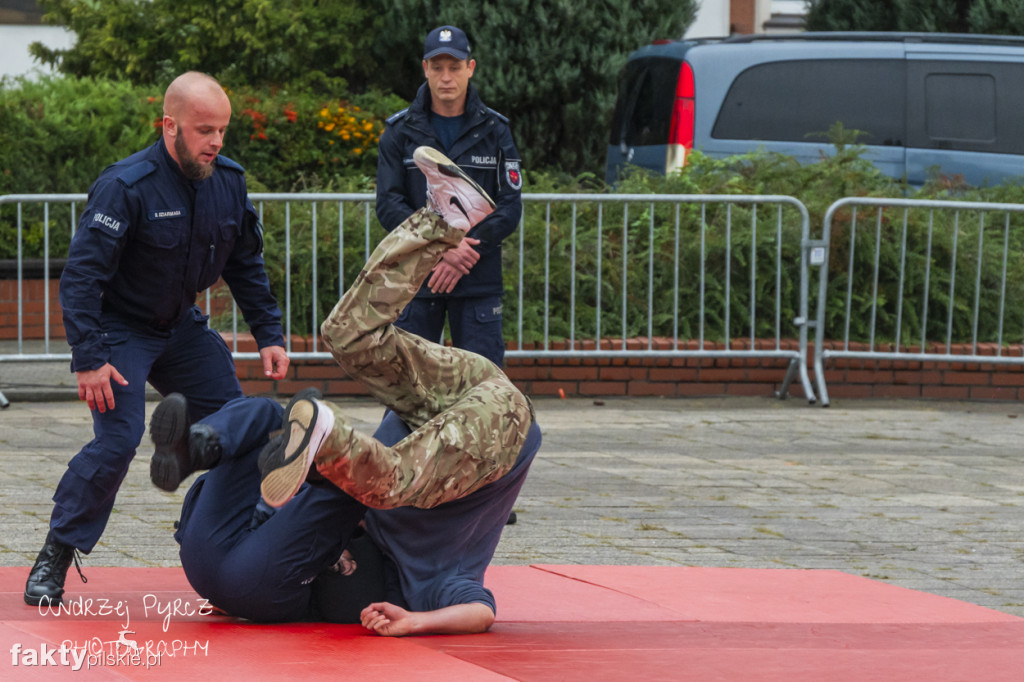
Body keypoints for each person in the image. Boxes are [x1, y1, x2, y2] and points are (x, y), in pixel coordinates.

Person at [163, 148, 540, 632]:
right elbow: (481, 609)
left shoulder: (373, 540)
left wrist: (409, 622)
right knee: (389, 484)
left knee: (350, 337)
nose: (343, 549)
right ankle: (322, 435)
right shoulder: (432, 574)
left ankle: (446, 216)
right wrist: (418, 621)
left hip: (453, 400)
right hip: (505, 425)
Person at [24, 71, 290, 607]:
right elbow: (81, 278)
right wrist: (89, 358)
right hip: (119, 328)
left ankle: (216, 540)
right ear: (170, 126)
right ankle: (56, 551)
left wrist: (269, 334)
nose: (215, 142)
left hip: (180, 327)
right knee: (119, 440)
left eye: (222, 131)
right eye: (204, 130)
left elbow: (245, 263)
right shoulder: (126, 186)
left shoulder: (228, 181)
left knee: (238, 430)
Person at [375, 24, 523, 367]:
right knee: (411, 392)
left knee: (484, 393)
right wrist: (443, 246)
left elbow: (509, 207)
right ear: (424, 68)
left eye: (454, 67)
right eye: (437, 67)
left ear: (470, 68)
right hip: (417, 281)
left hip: (478, 281)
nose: (446, 77)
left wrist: (465, 250)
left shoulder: (495, 130)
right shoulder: (399, 132)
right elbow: (389, 204)